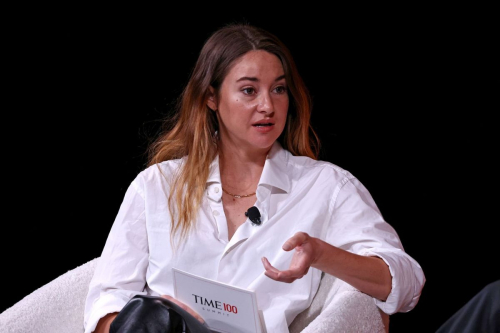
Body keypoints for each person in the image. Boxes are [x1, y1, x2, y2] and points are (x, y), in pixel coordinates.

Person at [83, 22, 426, 333]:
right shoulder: (156, 186)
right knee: (149, 316)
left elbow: (407, 284)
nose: (268, 105)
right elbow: (106, 303)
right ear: (211, 98)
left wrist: (321, 254)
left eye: (278, 89)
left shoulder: (326, 187)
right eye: (249, 90)